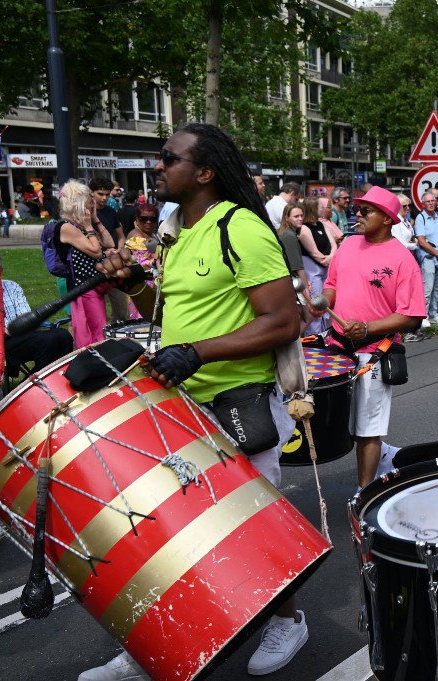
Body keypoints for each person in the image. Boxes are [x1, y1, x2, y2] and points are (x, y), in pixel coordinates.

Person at [90, 123, 306, 680]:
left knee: (254, 532)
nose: (158, 166)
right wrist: (133, 283)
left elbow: (284, 319)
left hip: (241, 403)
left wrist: (199, 353)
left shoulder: (242, 230)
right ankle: (152, 648)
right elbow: (169, 313)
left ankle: (290, 618)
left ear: (204, 171)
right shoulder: (177, 232)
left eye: (168, 158)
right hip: (183, 407)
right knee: (170, 535)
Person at [313, 187, 425, 488]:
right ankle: (385, 458)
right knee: (339, 423)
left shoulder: (403, 260)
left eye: (366, 211)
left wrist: (367, 327)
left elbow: (412, 315)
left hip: (374, 352)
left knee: (368, 429)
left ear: (387, 219)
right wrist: (322, 300)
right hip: (336, 348)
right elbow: (333, 283)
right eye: (358, 209)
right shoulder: (348, 244)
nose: (358, 215)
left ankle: (365, 492)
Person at [57, 180, 116, 348]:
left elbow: (110, 243)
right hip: (82, 288)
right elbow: (96, 251)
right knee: (89, 333)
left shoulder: (79, 225)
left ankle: (100, 363)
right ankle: (93, 365)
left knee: (99, 329)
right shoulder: (66, 227)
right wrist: (89, 225)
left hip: (93, 286)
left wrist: (95, 220)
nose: (91, 205)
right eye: (87, 201)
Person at [0, 254, 74, 375]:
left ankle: (58, 378)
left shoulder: (11, 286)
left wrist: (15, 328)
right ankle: (39, 384)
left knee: (63, 335)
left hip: (19, 334)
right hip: (1, 340)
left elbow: (26, 317)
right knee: (48, 341)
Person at [89, 176, 130, 324]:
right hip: (93, 267)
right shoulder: (85, 213)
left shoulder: (111, 212)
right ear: (91, 193)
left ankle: (117, 339)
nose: (104, 198)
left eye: (107, 194)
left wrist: (119, 251)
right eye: (100, 194)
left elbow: (120, 236)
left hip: (113, 266)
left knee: (121, 309)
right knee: (91, 316)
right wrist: (102, 252)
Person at [298, 197, 338, 336]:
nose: (323, 209)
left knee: (327, 304)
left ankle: (325, 334)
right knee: (316, 303)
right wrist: (326, 260)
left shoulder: (321, 225)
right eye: (320, 206)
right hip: (313, 270)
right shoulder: (304, 228)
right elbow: (313, 251)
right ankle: (313, 336)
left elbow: (333, 244)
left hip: (325, 268)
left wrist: (331, 256)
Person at [413, 191, 438, 324]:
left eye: (433, 200)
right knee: (427, 288)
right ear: (423, 204)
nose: (431, 203)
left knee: (437, 287)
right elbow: (422, 241)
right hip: (429, 257)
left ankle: (434, 314)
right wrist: (437, 253)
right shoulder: (421, 218)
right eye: (428, 201)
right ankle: (423, 316)